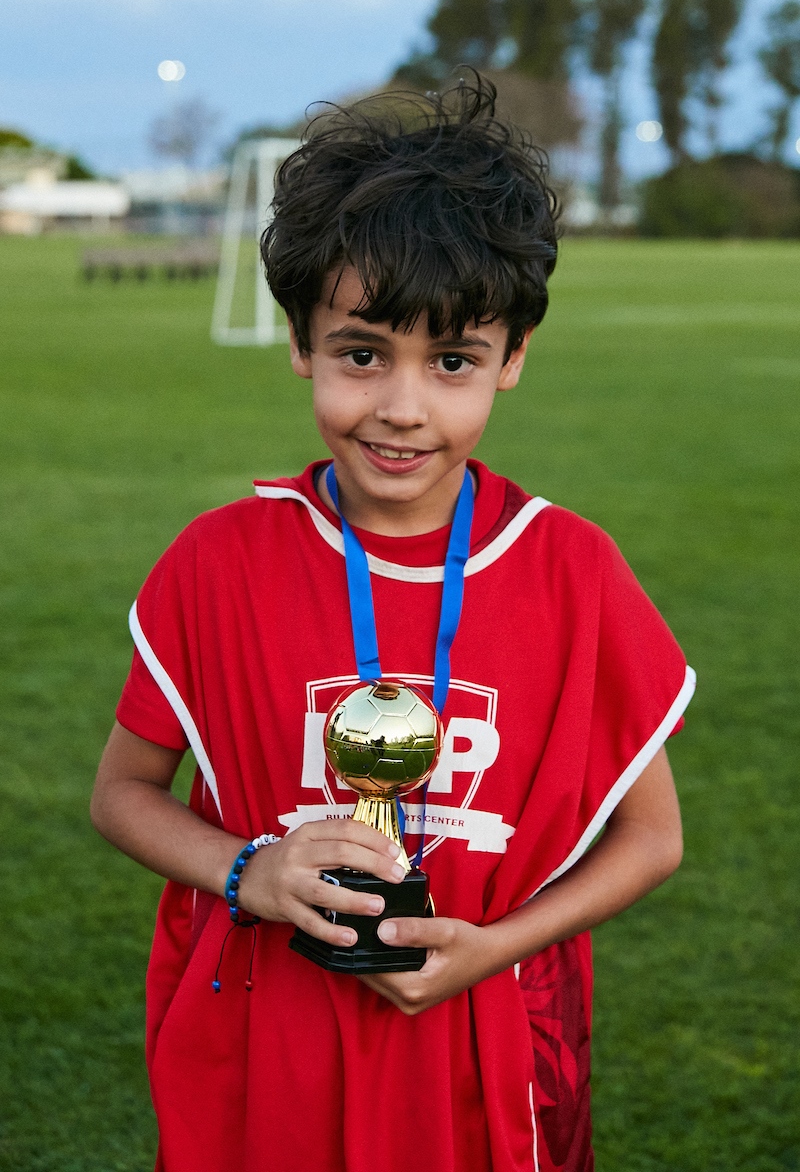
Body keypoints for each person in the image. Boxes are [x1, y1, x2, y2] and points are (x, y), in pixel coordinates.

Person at [91, 75, 695, 1172]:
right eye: (361, 352)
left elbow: (652, 839)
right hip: (265, 1016)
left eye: (452, 361)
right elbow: (122, 795)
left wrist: (489, 948)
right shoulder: (218, 560)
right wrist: (247, 872)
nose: (402, 407)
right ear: (301, 344)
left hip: (487, 1018)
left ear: (511, 360)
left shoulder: (572, 568)